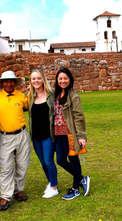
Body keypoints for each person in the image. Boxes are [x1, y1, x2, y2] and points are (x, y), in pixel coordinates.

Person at [0, 71, 31, 211]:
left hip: (22, 134)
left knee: (23, 164)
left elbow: (30, 106)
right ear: (2, 83)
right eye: (6, 81)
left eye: (11, 81)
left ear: (15, 82)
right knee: (6, 167)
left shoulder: (21, 96)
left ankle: (17, 190)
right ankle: (6, 196)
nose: (8, 83)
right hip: (5, 136)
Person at [53, 68, 91, 200]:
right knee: (61, 160)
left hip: (69, 133)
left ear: (70, 80)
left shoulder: (73, 96)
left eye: (65, 78)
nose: (62, 81)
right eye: (60, 78)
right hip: (58, 133)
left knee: (73, 160)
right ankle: (81, 179)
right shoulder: (56, 95)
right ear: (57, 80)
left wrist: (81, 136)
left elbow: (79, 116)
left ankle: (75, 189)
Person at [27, 69, 58, 198]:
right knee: (42, 162)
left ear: (43, 79)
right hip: (36, 135)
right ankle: (50, 182)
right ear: (31, 81)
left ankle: (54, 187)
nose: (36, 81)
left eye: (38, 78)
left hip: (48, 134)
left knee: (49, 160)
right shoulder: (30, 97)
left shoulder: (51, 94)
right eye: (33, 79)